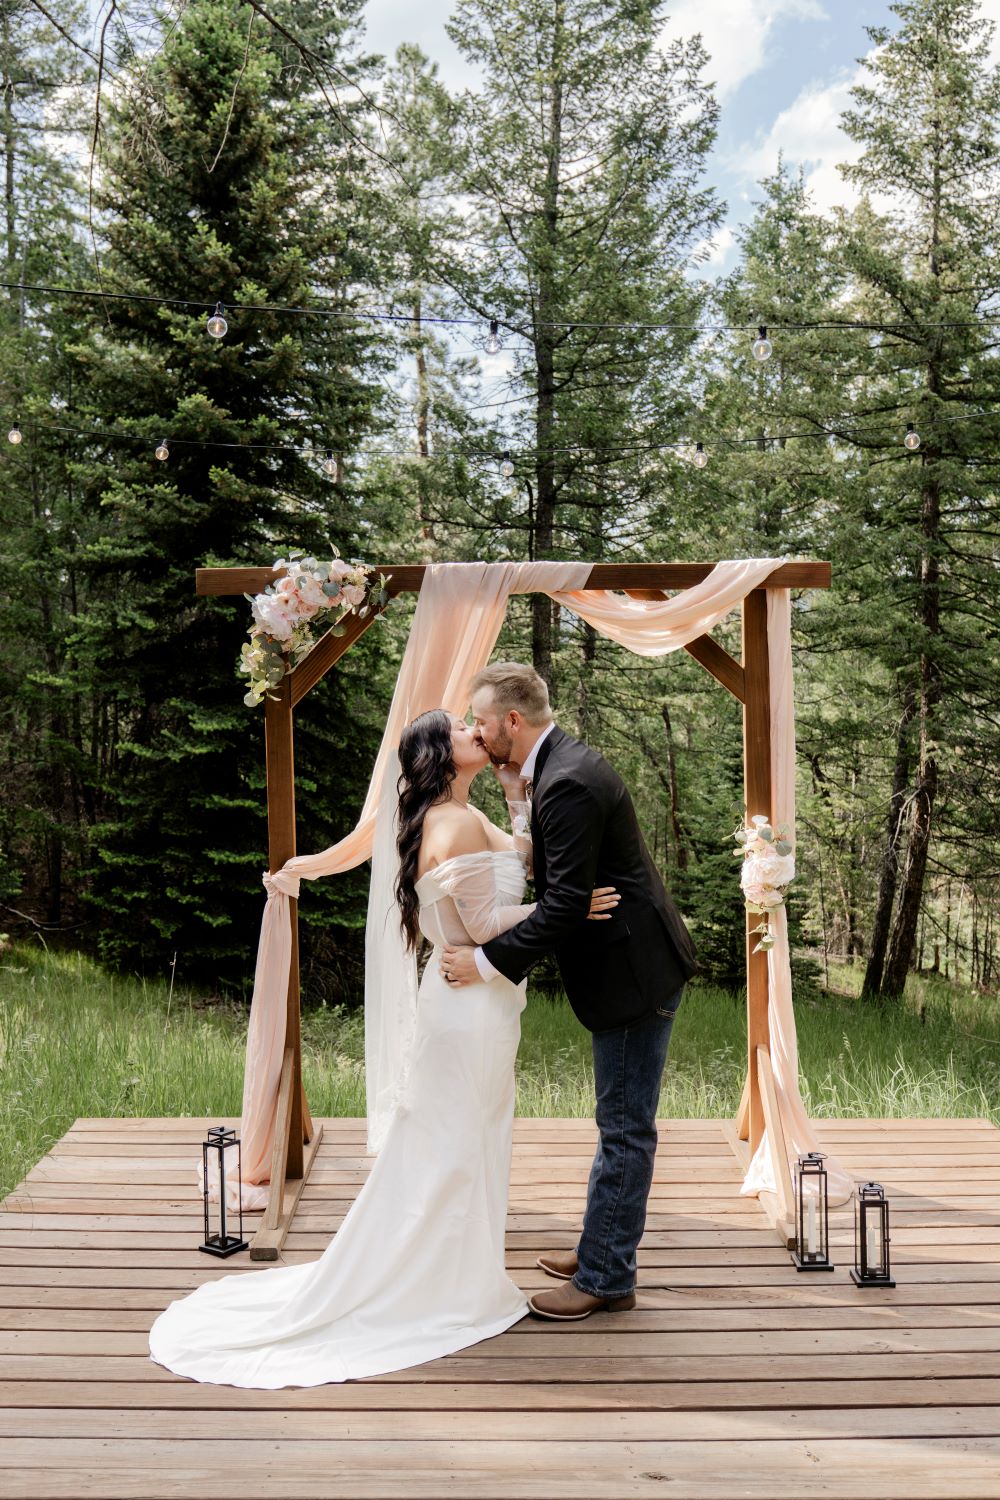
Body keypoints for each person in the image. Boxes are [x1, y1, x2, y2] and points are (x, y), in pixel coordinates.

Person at [147, 707, 618, 1387]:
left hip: (477, 1002)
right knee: (457, 1144)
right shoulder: (452, 823)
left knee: (467, 1139)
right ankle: (447, 1286)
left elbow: (523, 859)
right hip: (469, 1007)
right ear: (438, 755)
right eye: (459, 729)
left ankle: (459, 1271)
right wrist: (568, 911)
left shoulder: (462, 814)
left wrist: (518, 796)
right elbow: (484, 924)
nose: (474, 731)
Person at [442, 661, 698, 1322]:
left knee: (625, 1130)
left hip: (634, 973)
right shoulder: (555, 770)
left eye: (482, 722)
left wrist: (484, 962)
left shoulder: (569, 783)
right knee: (618, 1125)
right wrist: (514, 795)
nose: (477, 732)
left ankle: (607, 1277)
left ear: (512, 721)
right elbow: (561, 884)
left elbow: (560, 907)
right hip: (627, 963)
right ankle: (598, 1250)